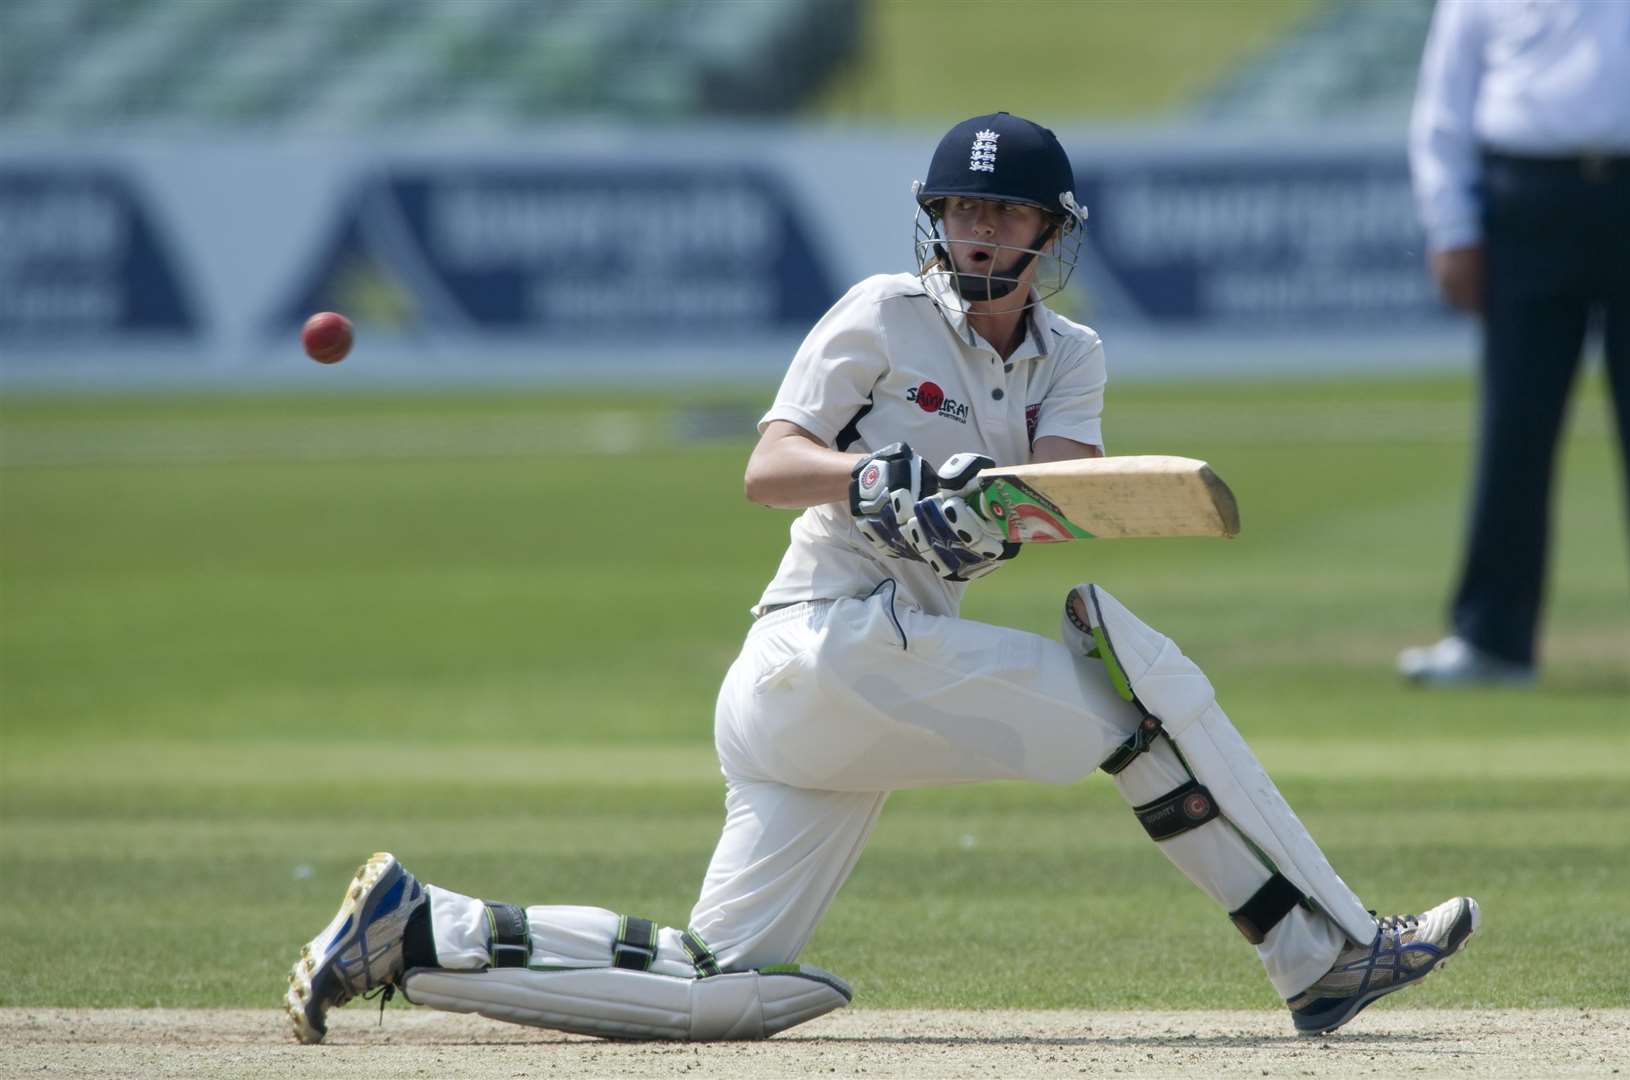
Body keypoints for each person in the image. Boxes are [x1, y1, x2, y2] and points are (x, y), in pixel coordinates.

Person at [284, 112, 1479, 1046]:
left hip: (859, 684)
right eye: (961, 208)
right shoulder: (878, 313)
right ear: (933, 218)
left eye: (1005, 215)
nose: (978, 231)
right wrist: (878, 481)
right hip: (821, 644)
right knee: (1139, 687)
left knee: (724, 987)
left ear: (1048, 236)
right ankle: (1326, 949)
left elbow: (1060, 500)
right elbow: (769, 467)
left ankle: (417, 930)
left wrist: (976, 512)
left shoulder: (1073, 359)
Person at [1401, 0, 1630, 691]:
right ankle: (1492, 640)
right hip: (1526, 204)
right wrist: (1449, 223)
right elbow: (1443, 108)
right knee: (1514, 427)